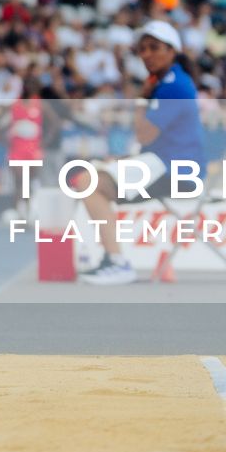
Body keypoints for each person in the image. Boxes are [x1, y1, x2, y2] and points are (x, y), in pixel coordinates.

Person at [79, 21, 205, 286]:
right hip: (167, 164)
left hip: (176, 170)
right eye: (142, 48)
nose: (146, 54)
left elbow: (144, 134)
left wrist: (140, 100)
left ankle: (116, 262)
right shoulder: (170, 82)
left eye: (154, 47)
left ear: (172, 51)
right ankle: (108, 259)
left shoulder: (173, 85)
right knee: (90, 179)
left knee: (90, 184)